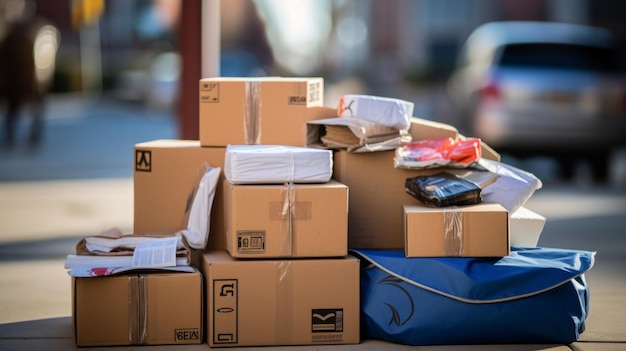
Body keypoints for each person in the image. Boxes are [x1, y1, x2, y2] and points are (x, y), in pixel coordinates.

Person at [0, 0, 58, 150]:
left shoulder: (37, 30)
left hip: (30, 80)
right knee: (13, 109)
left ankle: (31, 135)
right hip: (14, 81)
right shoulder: (9, 33)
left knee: (31, 107)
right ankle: (12, 135)